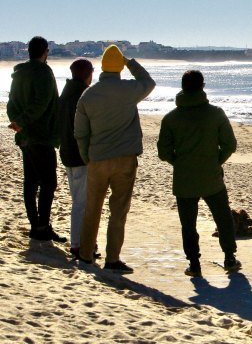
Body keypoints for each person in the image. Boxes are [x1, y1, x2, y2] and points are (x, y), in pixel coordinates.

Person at [74, 45, 155, 273]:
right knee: (118, 210)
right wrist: (130, 63)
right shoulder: (129, 89)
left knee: (93, 208)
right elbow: (149, 82)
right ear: (119, 66)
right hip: (125, 159)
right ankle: (112, 259)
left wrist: (87, 156)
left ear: (101, 66)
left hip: (97, 158)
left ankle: (86, 255)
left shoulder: (88, 95)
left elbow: (80, 132)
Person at [157, 70, 240, 277]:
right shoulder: (216, 113)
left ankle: (194, 264)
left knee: (188, 224)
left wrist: (180, 162)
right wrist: (215, 161)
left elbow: (163, 152)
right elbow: (230, 144)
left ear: (183, 87)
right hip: (211, 176)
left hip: (184, 178)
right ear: (202, 86)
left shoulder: (171, 118)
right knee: (223, 218)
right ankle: (229, 257)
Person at [6, 36, 66, 242]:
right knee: (48, 183)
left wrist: (16, 122)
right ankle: (41, 227)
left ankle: (36, 225)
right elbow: (42, 103)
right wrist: (21, 122)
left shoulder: (19, 73)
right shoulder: (43, 72)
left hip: (25, 137)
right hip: (41, 136)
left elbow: (11, 103)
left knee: (31, 182)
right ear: (45, 52)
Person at [58, 58, 99, 258]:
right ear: (88, 74)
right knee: (82, 203)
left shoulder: (67, 92)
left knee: (79, 201)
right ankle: (79, 244)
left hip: (68, 152)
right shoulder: (82, 95)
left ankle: (82, 242)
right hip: (79, 155)